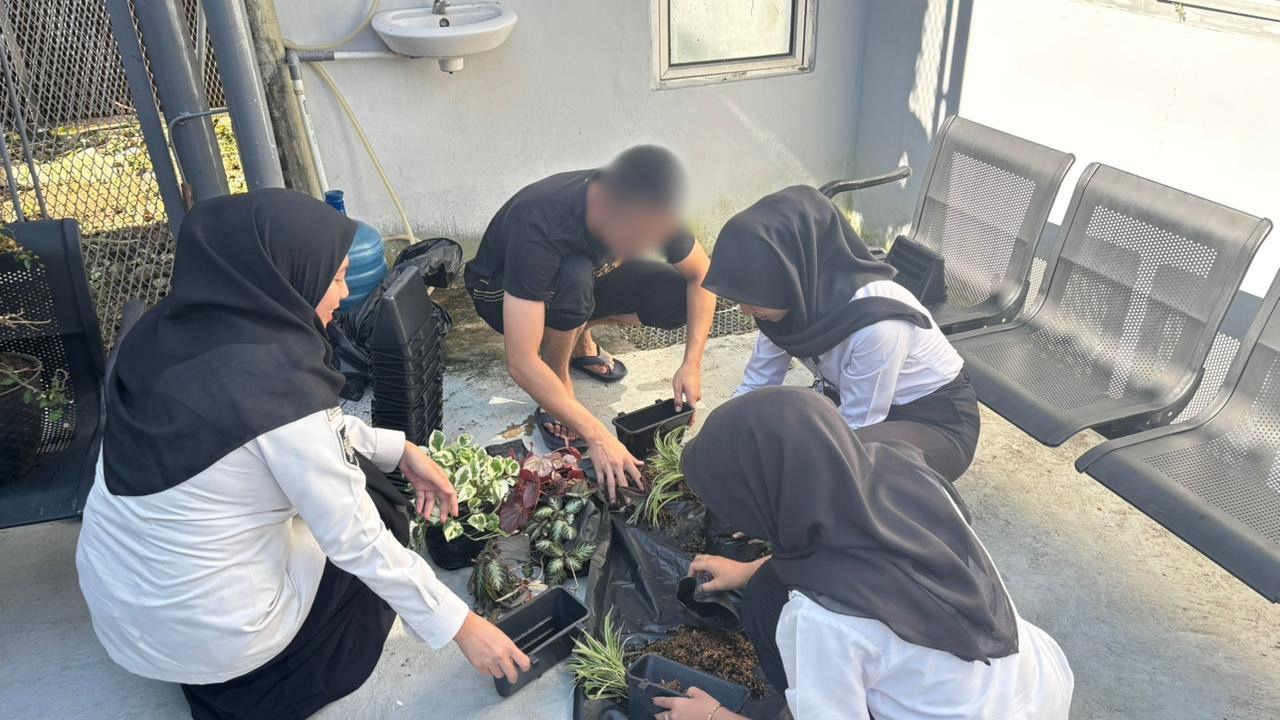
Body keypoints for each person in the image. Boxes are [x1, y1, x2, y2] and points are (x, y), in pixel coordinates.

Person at [76, 190, 529, 720]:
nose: (344, 293)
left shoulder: (164, 334)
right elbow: (354, 537)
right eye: (334, 277)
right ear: (284, 275)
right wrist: (461, 625)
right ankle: (267, 682)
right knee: (380, 510)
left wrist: (399, 447)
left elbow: (291, 431)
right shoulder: (276, 381)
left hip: (125, 616)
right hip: (215, 645)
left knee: (352, 475)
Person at [653, 388, 1073, 720]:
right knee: (765, 587)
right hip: (1035, 687)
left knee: (767, 603)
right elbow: (856, 541)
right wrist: (747, 571)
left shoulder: (819, 619)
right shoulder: (904, 470)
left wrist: (715, 715)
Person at [464, 145, 715, 498]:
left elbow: (702, 277)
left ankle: (579, 334)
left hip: (575, 281)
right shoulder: (540, 222)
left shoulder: (648, 205)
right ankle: (559, 375)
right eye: (636, 237)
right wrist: (597, 435)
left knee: (675, 296)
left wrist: (692, 364)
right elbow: (520, 361)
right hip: (497, 291)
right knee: (576, 274)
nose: (641, 247)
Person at [702, 185, 980, 483]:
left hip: (934, 422)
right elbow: (756, 385)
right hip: (855, 404)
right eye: (741, 297)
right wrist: (716, 438)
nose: (746, 310)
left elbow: (856, 426)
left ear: (791, 271)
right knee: (770, 427)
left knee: (828, 468)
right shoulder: (791, 305)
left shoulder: (877, 323)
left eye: (754, 295)